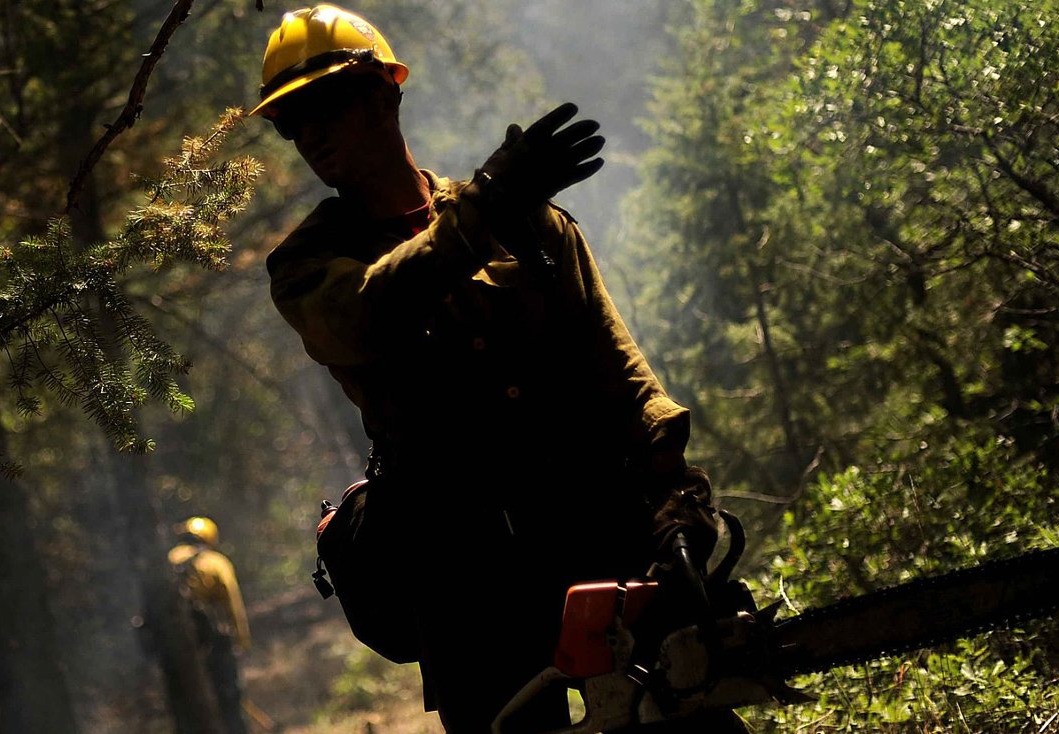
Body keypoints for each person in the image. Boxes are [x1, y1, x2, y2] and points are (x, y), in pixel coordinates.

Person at [252, 5, 745, 733]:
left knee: (691, 715)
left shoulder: (530, 221)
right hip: (461, 572)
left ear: (387, 91)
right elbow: (363, 316)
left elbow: (619, 370)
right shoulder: (307, 264)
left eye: (325, 103)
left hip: (598, 524)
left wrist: (675, 493)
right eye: (291, 121)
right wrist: (488, 206)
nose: (310, 134)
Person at [168, 516, 252, 734]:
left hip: (176, 650)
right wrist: (241, 642)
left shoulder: (168, 560)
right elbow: (233, 606)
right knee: (229, 700)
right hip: (214, 647)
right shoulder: (215, 562)